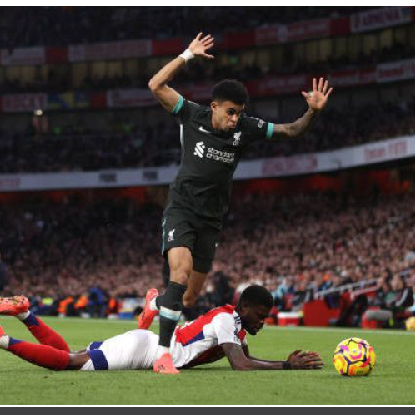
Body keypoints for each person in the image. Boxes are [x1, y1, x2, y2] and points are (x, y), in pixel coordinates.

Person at [140, 32, 333, 374]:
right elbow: (156, 84)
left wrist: (312, 113)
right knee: (179, 275)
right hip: (182, 209)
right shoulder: (192, 114)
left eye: (239, 113)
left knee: (186, 299)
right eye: (230, 112)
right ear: (214, 106)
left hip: (211, 220)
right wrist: (187, 54)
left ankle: (154, 305)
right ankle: (162, 356)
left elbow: (291, 131)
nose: (234, 119)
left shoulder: (245, 127)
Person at [0, 286, 323, 372]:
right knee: (70, 363)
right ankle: (2, 339)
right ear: (245, 307)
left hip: (153, 344)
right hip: (150, 349)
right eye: (261, 314)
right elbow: (240, 365)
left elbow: (244, 355)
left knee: (70, 352)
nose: (263, 321)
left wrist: (280, 363)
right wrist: (287, 366)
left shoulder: (236, 325)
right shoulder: (229, 319)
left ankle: (26, 315)